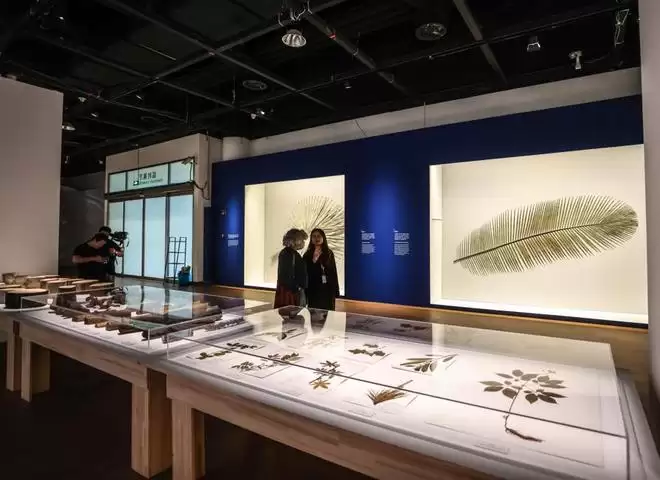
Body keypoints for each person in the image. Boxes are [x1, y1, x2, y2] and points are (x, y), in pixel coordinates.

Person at [303, 228, 340, 310]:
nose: (316, 238)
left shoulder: (329, 253)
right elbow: (304, 272)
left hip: (327, 289)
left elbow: (333, 272)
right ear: (311, 239)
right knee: (314, 313)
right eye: (314, 236)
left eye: (319, 236)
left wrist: (336, 291)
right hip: (313, 288)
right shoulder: (307, 254)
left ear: (323, 238)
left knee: (327, 313)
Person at [273, 228, 308, 308]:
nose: (303, 242)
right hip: (289, 292)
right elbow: (286, 275)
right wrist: (296, 288)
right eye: (301, 240)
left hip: (291, 290)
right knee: (289, 311)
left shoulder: (290, 253)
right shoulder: (288, 253)